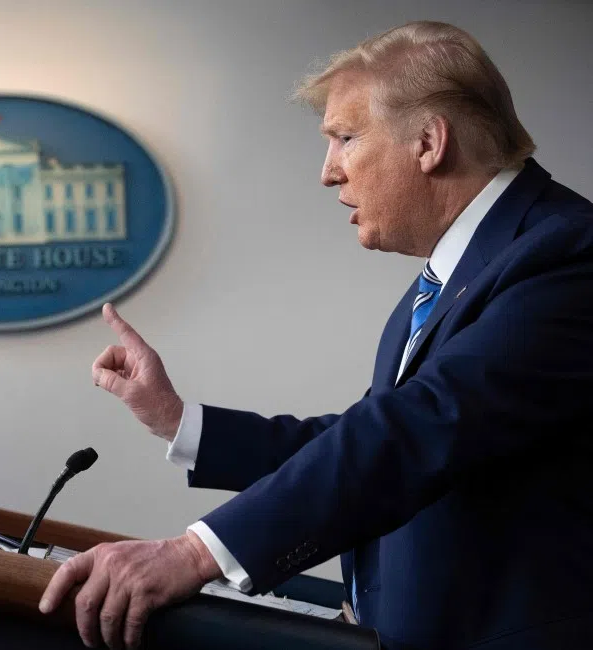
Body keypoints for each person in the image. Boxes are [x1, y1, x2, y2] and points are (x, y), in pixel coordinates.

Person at [38, 20, 593, 650]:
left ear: (429, 142)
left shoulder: (568, 253)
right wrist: (178, 420)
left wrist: (196, 553)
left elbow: (416, 429)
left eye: (346, 138)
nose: (329, 172)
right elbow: (365, 435)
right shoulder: (456, 272)